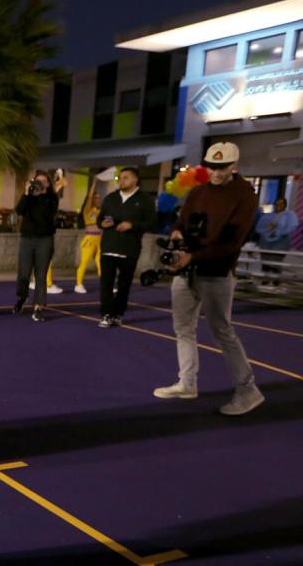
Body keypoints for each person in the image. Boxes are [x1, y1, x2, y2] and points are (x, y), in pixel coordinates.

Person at [153, 142, 264, 416]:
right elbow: (181, 221)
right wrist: (178, 235)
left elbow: (231, 243)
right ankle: (187, 383)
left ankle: (248, 390)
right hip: (187, 269)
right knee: (183, 328)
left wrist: (193, 257)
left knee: (222, 331)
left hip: (217, 272)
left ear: (234, 167)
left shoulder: (245, 196)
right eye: (211, 166)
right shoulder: (198, 192)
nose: (215, 172)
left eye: (221, 167)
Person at [97, 167, 156, 327]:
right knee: (106, 284)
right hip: (108, 247)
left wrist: (132, 225)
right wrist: (101, 223)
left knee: (124, 285)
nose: (121, 181)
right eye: (120, 178)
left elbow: (152, 223)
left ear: (135, 180)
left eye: (125, 178)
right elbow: (100, 218)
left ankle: (118, 314)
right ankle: (106, 314)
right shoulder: (110, 198)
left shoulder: (145, 200)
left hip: (129, 249)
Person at [13, 170, 59, 322]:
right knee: (23, 273)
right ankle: (21, 298)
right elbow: (19, 211)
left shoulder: (52, 198)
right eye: (37, 181)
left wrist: (42, 194)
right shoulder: (29, 197)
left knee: (41, 275)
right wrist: (27, 193)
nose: (39, 184)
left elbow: (47, 215)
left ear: (48, 183)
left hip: (44, 240)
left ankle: (38, 307)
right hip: (27, 239)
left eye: (43, 181)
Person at [255, 197, 299, 287]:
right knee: (266, 261)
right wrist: (267, 232)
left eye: (281, 204)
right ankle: (265, 279)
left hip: (281, 242)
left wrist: (277, 233)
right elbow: (258, 228)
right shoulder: (267, 216)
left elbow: (291, 227)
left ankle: (276, 281)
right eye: (276, 204)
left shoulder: (289, 215)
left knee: (276, 261)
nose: (278, 206)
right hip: (265, 242)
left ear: (285, 205)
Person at [74, 180, 102, 294]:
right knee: (84, 262)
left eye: (99, 198)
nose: (98, 199)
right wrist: (94, 183)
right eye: (96, 197)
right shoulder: (87, 210)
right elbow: (89, 197)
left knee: (101, 263)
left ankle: (106, 285)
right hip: (89, 239)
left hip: (99, 240)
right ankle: (78, 284)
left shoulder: (100, 211)